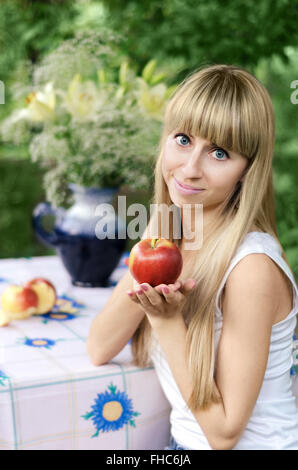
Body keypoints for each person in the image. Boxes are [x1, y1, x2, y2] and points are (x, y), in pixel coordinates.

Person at [87, 64, 298, 450]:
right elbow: (100, 346)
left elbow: (225, 433)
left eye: (219, 152)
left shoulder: (251, 267)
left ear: (247, 171)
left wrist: (166, 322)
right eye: (183, 139)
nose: (189, 168)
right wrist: (158, 233)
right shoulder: (169, 233)